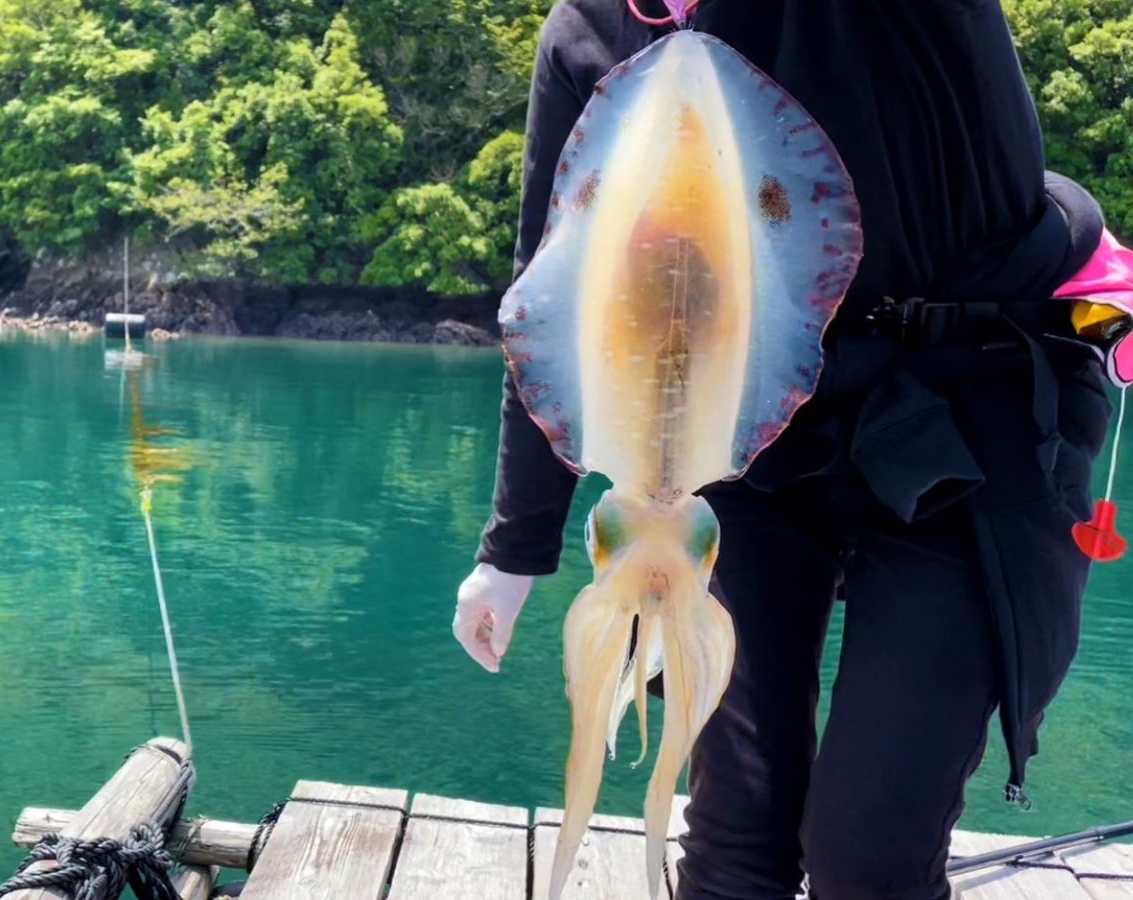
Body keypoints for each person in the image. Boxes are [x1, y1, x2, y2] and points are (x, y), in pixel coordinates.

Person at [452, 2, 1121, 898]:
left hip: (974, 415)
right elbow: (557, 286)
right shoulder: (588, 35)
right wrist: (514, 549)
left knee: (867, 853)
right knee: (736, 837)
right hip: (756, 448)